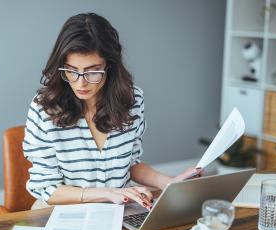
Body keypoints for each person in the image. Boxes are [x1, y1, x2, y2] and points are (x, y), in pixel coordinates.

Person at [23, 13, 202, 210]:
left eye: (93, 71)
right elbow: (46, 188)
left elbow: (131, 164)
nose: (80, 82)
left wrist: (167, 182)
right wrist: (108, 194)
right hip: (63, 212)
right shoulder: (44, 108)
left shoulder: (132, 101)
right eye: (71, 70)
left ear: (110, 65)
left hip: (118, 209)